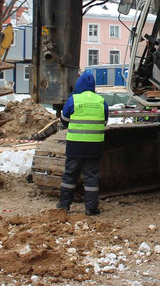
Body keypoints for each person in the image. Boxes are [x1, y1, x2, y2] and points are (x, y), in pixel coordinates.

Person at [57, 71, 109, 215]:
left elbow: (64, 119)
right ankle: (91, 209)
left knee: (70, 174)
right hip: (94, 145)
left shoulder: (74, 99)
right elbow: (104, 121)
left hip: (75, 145)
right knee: (91, 176)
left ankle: (63, 206)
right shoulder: (101, 101)